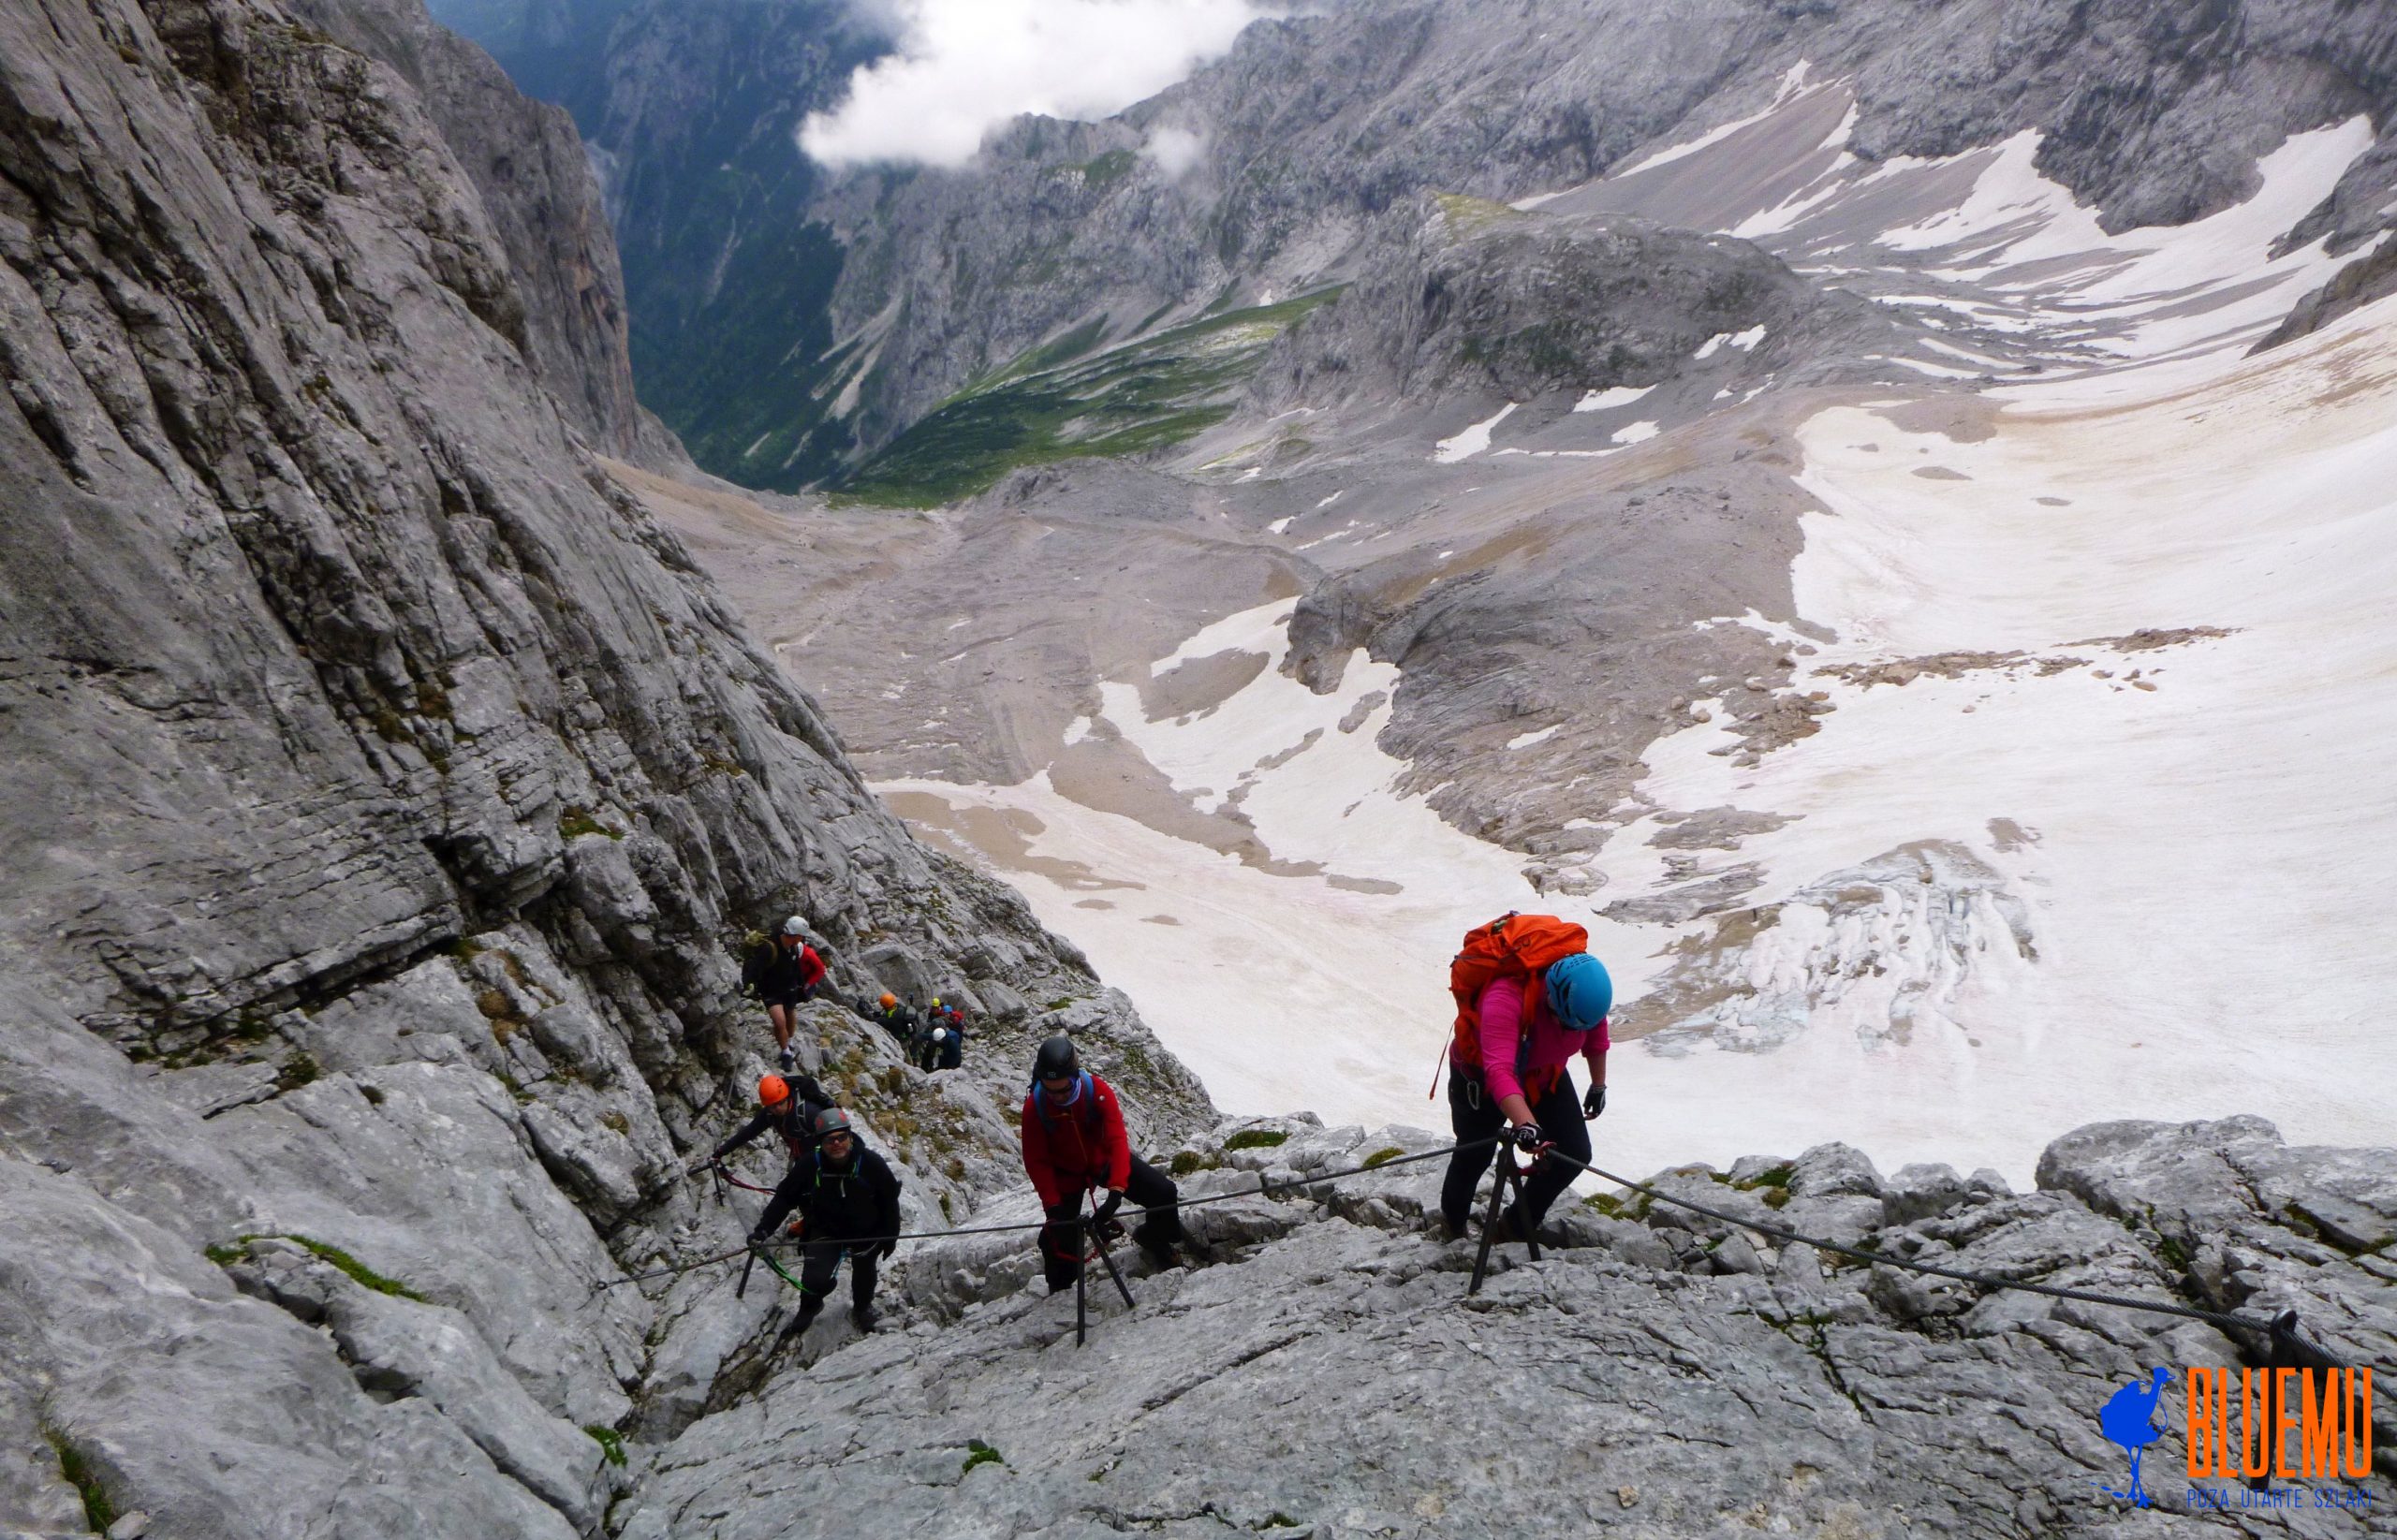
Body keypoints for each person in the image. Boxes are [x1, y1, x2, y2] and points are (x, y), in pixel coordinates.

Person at [1438, 919, 1611, 1242]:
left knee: (1573, 1152)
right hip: (1479, 1079)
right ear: (1552, 999)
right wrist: (1527, 1124)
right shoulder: (1504, 998)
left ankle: (1516, 1225)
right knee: (1475, 1154)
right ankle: (1453, 1224)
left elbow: (1596, 1034)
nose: (1572, 1030)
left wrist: (1598, 1084)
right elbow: (1499, 1071)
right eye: (1566, 1023)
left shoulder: (1583, 995)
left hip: (1543, 1074)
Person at [1020, 1034, 1183, 1287]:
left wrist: (1116, 1190)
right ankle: (1061, 1291)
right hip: (1067, 1174)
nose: (1059, 1097)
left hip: (1101, 1161)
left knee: (1163, 1192)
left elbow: (1117, 1140)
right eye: (1052, 1092)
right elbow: (1036, 1160)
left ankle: (1154, 1237)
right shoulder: (1035, 1108)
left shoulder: (1097, 1092)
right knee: (1059, 1237)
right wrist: (1053, 1207)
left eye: (1064, 1090)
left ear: (1075, 1076)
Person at [782, 1107, 903, 1335]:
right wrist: (762, 1230)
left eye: (841, 1138)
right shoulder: (810, 1165)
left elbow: (889, 1201)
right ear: (821, 1142)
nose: (836, 1144)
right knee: (813, 1277)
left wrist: (890, 1238)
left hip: (867, 1230)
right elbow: (784, 1198)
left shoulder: (871, 1164)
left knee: (865, 1274)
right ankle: (809, 1306)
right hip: (826, 1227)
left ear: (849, 1137)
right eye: (830, 1140)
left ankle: (862, 1307)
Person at [698, 1073, 834, 1242]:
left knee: (821, 1193)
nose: (777, 1109)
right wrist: (721, 1152)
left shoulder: (808, 1112)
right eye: (772, 1106)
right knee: (800, 1194)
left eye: (780, 1103)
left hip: (825, 1159)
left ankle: (828, 1229)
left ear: (787, 1097)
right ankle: (809, 1222)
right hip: (803, 1160)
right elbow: (750, 1131)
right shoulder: (771, 1114)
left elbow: (837, 1133)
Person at [742, 916, 826, 1073]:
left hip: (789, 989)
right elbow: (755, 968)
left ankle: (790, 1040)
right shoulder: (769, 948)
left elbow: (795, 967)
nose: (802, 939)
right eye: (801, 936)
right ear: (796, 935)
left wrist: (801, 984)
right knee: (780, 1022)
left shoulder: (793, 947)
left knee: (791, 1016)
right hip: (771, 990)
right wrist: (747, 984)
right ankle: (786, 1051)